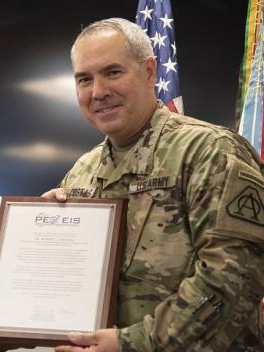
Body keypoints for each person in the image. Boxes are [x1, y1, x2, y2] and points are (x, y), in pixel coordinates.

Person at [44, 18, 264, 351]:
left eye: (113, 72)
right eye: (84, 79)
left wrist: (132, 344)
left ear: (149, 72)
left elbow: (232, 280)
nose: (98, 92)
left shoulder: (209, 152)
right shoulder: (80, 173)